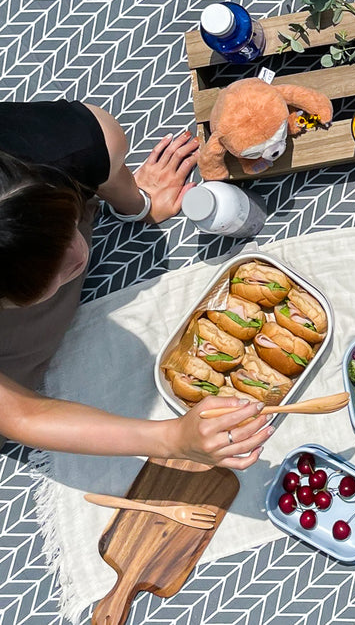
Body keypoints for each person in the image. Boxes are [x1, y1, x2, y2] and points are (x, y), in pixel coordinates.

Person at [0, 100, 272, 470]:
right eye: (47, 276)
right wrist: (172, 439)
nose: (78, 258)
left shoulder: (61, 139)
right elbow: (21, 415)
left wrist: (138, 203)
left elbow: (101, 147)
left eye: (64, 230)